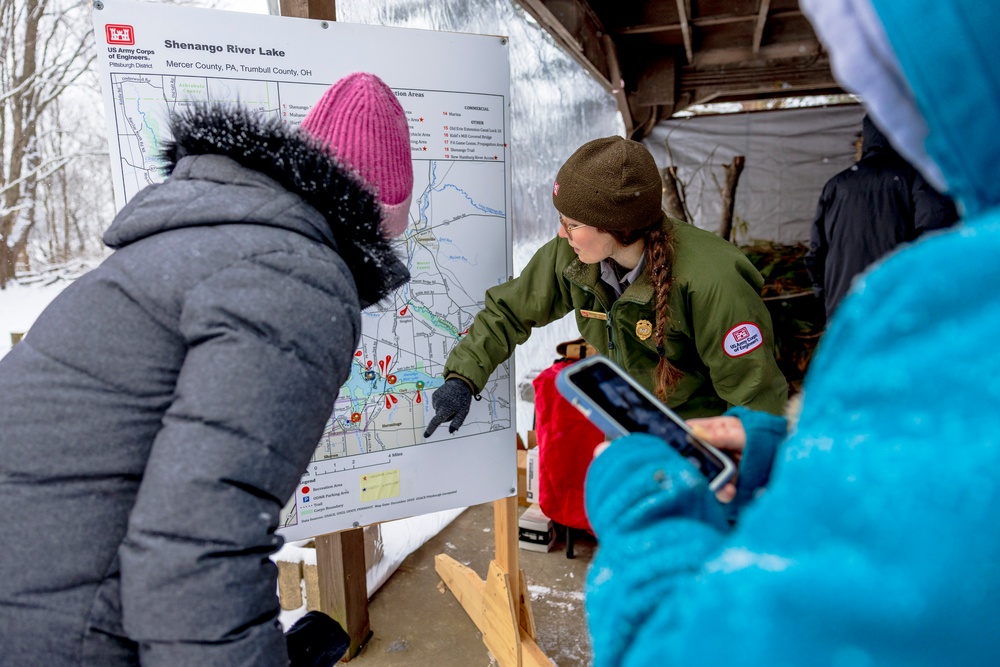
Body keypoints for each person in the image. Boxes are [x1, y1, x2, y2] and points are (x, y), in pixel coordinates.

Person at [581, 0, 1000, 664]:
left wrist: (642, 501)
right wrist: (797, 455)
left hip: (853, 318)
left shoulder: (940, 304)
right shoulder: (926, 216)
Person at [0, 72, 412, 666]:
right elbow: (199, 551)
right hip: (63, 632)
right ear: (372, 218)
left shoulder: (190, 243)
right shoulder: (296, 278)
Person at [424, 136, 788, 437]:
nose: (560, 233)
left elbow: (753, 396)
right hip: (633, 430)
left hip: (702, 439)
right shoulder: (570, 258)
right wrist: (463, 378)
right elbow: (508, 311)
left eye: (572, 223)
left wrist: (738, 478)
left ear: (618, 228)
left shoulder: (712, 281)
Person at [806, 113, 958, 319]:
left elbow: (816, 254)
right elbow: (938, 235)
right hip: (898, 305)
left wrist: (827, 297)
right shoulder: (918, 176)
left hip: (845, 308)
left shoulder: (836, 185)